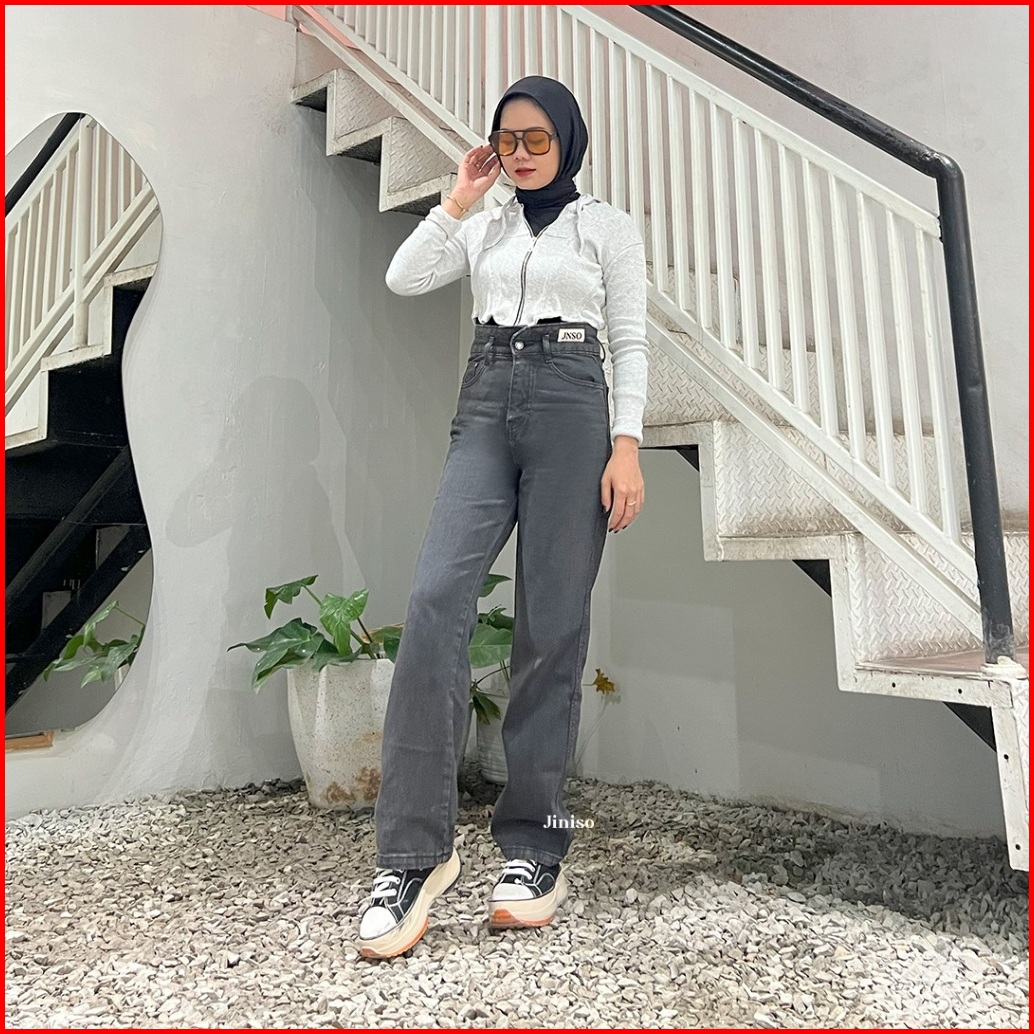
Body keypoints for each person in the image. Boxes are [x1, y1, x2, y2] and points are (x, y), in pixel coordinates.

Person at [356, 75, 649, 959]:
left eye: (536, 140)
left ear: (568, 142)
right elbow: (405, 277)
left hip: (574, 405)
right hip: (486, 400)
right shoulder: (484, 222)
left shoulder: (605, 227)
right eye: (507, 139)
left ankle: (537, 848)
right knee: (434, 603)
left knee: (550, 632)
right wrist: (457, 198)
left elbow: (630, 340)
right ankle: (414, 856)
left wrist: (627, 446)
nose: (520, 154)